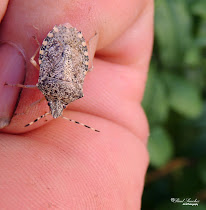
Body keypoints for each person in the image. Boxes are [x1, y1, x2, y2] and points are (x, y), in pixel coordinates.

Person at [0, 0, 154, 209]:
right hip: (65, 48)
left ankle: (43, 42)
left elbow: (45, 68)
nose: (55, 110)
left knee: (48, 75)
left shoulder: (54, 93)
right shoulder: (50, 92)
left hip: (62, 47)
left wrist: (39, 45)